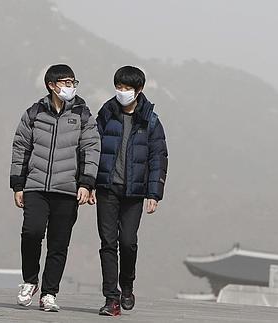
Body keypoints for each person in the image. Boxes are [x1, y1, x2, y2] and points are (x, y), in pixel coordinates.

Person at [10, 64, 101, 312]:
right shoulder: (34, 113)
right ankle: (30, 281)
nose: (70, 87)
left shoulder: (83, 115)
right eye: (66, 82)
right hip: (35, 186)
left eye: (73, 82)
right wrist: (18, 184)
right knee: (31, 232)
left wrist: (86, 183)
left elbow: (91, 149)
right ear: (52, 85)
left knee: (59, 243)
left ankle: (49, 293)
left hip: (67, 189)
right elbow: (20, 148)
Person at [94, 66, 168, 316]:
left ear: (139, 90)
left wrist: (154, 193)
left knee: (128, 242)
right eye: (119, 87)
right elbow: (93, 149)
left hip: (134, 192)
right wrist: (89, 182)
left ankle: (127, 286)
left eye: (127, 88)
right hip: (107, 188)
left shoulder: (151, 120)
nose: (122, 92)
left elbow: (158, 156)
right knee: (107, 243)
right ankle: (110, 298)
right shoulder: (106, 113)